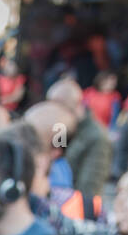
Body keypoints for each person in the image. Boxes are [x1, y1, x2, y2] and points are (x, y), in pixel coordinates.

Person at [47, 78, 112, 207]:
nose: (52, 114)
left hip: (75, 210)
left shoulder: (96, 136)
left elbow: (89, 189)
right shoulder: (61, 128)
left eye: (56, 109)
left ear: (73, 107)